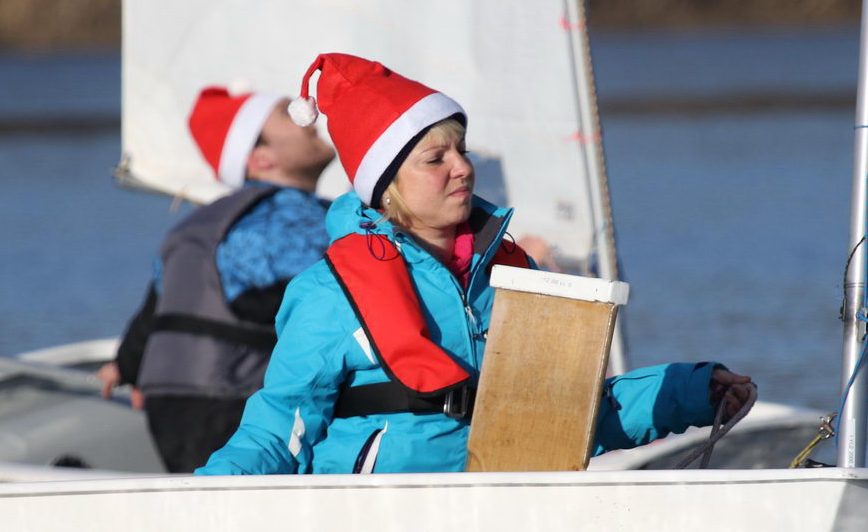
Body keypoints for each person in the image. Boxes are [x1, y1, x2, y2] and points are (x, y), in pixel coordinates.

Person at [196, 53, 754, 476]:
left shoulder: (514, 275)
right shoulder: (330, 292)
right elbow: (278, 428)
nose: (462, 168)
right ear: (386, 187)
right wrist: (201, 503)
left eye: (461, 150)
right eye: (435, 158)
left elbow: (575, 414)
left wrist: (690, 392)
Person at [98, 86, 335, 472]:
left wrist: (125, 365)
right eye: (286, 114)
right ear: (260, 158)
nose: (308, 117)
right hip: (237, 400)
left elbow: (156, 306)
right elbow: (352, 289)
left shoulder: (200, 222)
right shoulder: (300, 218)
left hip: (167, 400)